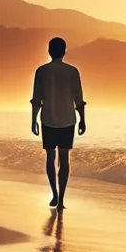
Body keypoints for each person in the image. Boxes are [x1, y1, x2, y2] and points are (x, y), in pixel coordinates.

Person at [30, 38, 86, 210]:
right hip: (68, 120)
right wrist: (83, 119)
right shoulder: (72, 71)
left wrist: (34, 120)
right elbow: (79, 99)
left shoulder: (42, 71)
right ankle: (61, 199)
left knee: (50, 158)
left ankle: (54, 193)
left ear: (49, 51)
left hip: (48, 119)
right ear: (64, 51)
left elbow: (37, 100)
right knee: (64, 159)